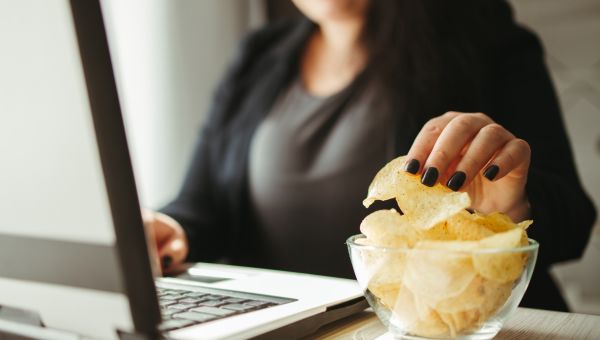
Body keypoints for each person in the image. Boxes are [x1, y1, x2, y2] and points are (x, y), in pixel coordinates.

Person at [144, 0, 596, 311]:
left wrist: (510, 209)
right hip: (298, 329)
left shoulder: (483, 34)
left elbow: (574, 218)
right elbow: (203, 203)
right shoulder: (258, 55)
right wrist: (171, 228)